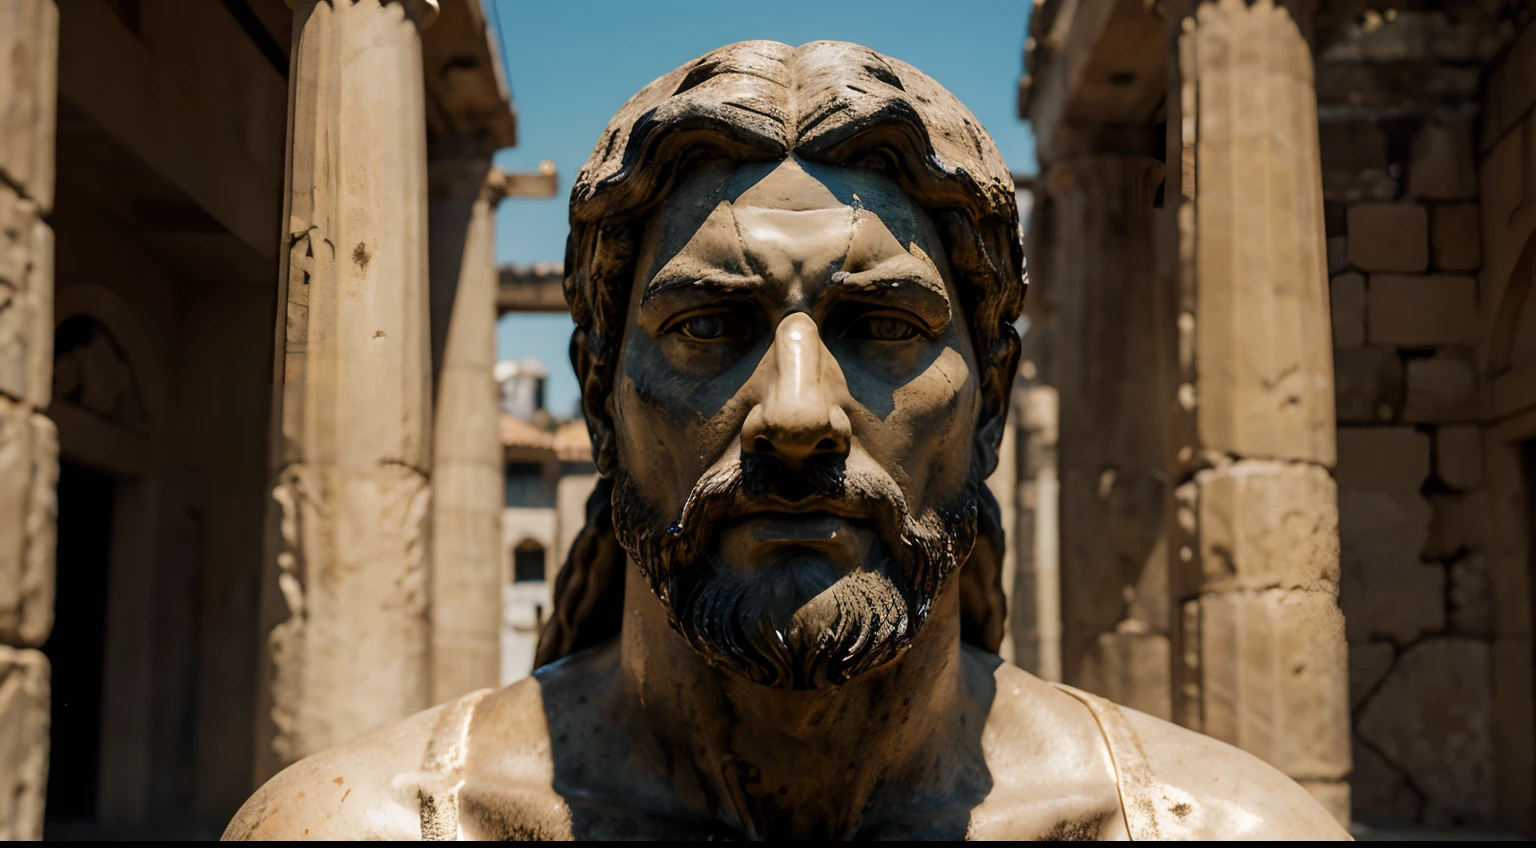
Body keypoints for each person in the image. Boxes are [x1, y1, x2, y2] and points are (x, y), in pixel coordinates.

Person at [225, 40, 1350, 840]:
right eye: (711, 325)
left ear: (993, 394)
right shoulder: (360, 826)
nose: (799, 414)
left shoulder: (1217, 827)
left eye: (883, 327)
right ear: (597, 390)